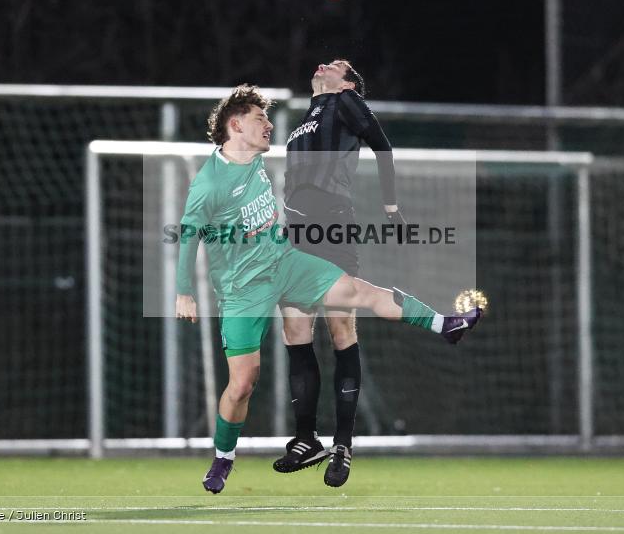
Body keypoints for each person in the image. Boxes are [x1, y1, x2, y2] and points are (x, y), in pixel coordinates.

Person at [175, 84, 482, 495]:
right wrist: (183, 292)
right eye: (259, 119)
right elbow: (187, 235)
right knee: (244, 381)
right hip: (242, 289)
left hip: (285, 263)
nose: (268, 125)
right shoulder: (208, 184)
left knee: (359, 292)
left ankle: (446, 324)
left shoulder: (254, 159)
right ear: (236, 125)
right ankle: (223, 457)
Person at [274, 59, 404, 487]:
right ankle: (306, 438)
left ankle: (343, 444)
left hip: (331, 223)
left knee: (341, 329)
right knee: (295, 331)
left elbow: (382, 146)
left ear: (348, 82)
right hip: (297, 231)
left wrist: (390, 206)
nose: (325, 64)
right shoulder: (303, 121)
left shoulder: (346, 101)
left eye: (338, 65)